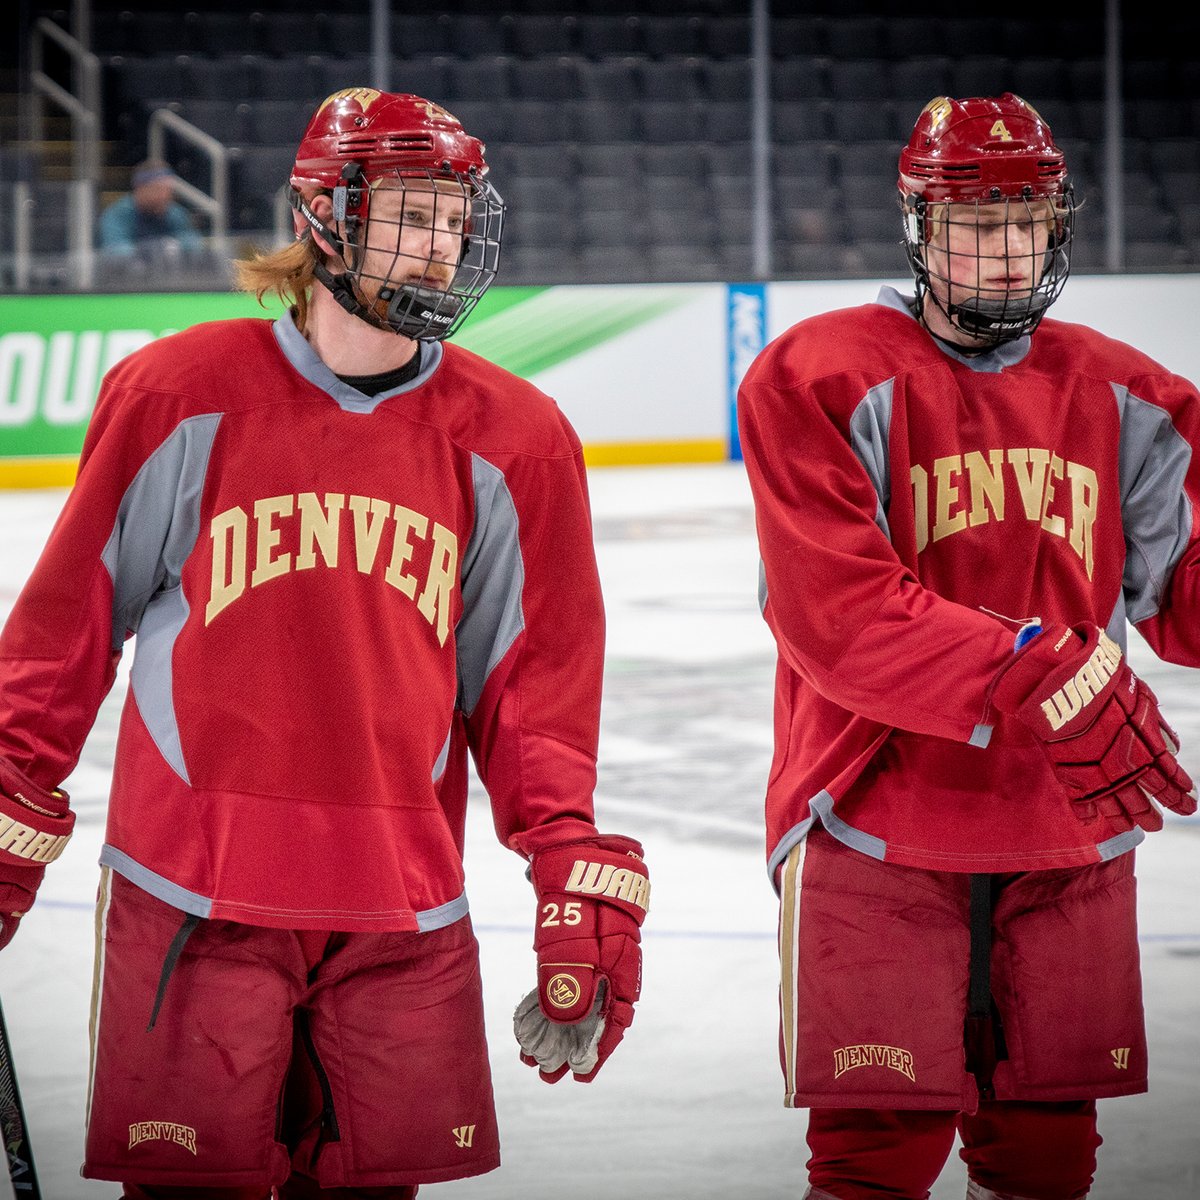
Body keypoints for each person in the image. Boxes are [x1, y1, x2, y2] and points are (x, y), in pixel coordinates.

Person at [0, 87, 649, 1198]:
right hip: (192, 891)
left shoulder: (519, 441)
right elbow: (66, 630)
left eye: (454, 218)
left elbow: (532, 690)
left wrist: (566, 856)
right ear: (321, 219)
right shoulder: (178, 394)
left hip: (400, 904)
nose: (441, 246)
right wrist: (9, 789)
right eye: (410, 213)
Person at [737, 92, 1199, 1200]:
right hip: (872, 812)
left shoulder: (1134, 394)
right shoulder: (818, 375)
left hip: (1065, 824)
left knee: (1047, 1154)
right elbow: (839, 620)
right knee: (872, 1159)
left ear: (1058, 227)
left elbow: (1181, 606)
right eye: (972, 224)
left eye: (1024, 222)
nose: (1002, 253)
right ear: (919, 228)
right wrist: (1049, 671)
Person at [97, 156, 203, 262]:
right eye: (158, 189)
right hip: (126, 276)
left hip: (166, 276)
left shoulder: (174, 212)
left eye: (169, 190)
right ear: (140, 189)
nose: (165, 195)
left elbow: (193, 243)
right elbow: (116, 251)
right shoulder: (118, 214)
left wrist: (172, 245)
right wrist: (150, 250)